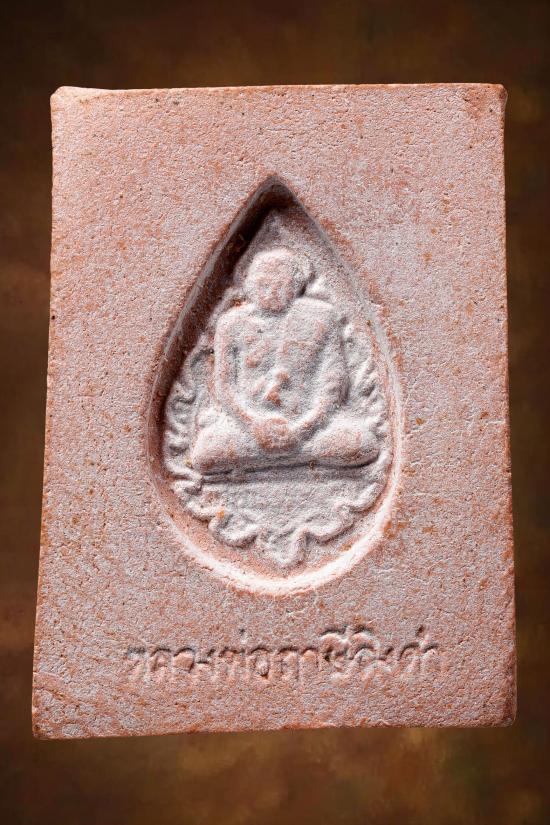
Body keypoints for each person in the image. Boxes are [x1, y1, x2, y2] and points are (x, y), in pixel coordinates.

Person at [190, 247, 379, 473]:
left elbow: (333, 384)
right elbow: (225, 387)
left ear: (296, 286)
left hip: (309, 427)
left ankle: (270, 458)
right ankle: (292, 457)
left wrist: (302, 429)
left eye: (280, 285)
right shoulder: (231, 323)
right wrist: (253, 424)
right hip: (248, 428)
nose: (271, 292)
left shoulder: (322, 317)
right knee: (206, 452)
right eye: (263, 285)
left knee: (361, 443)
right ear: (248, 284)